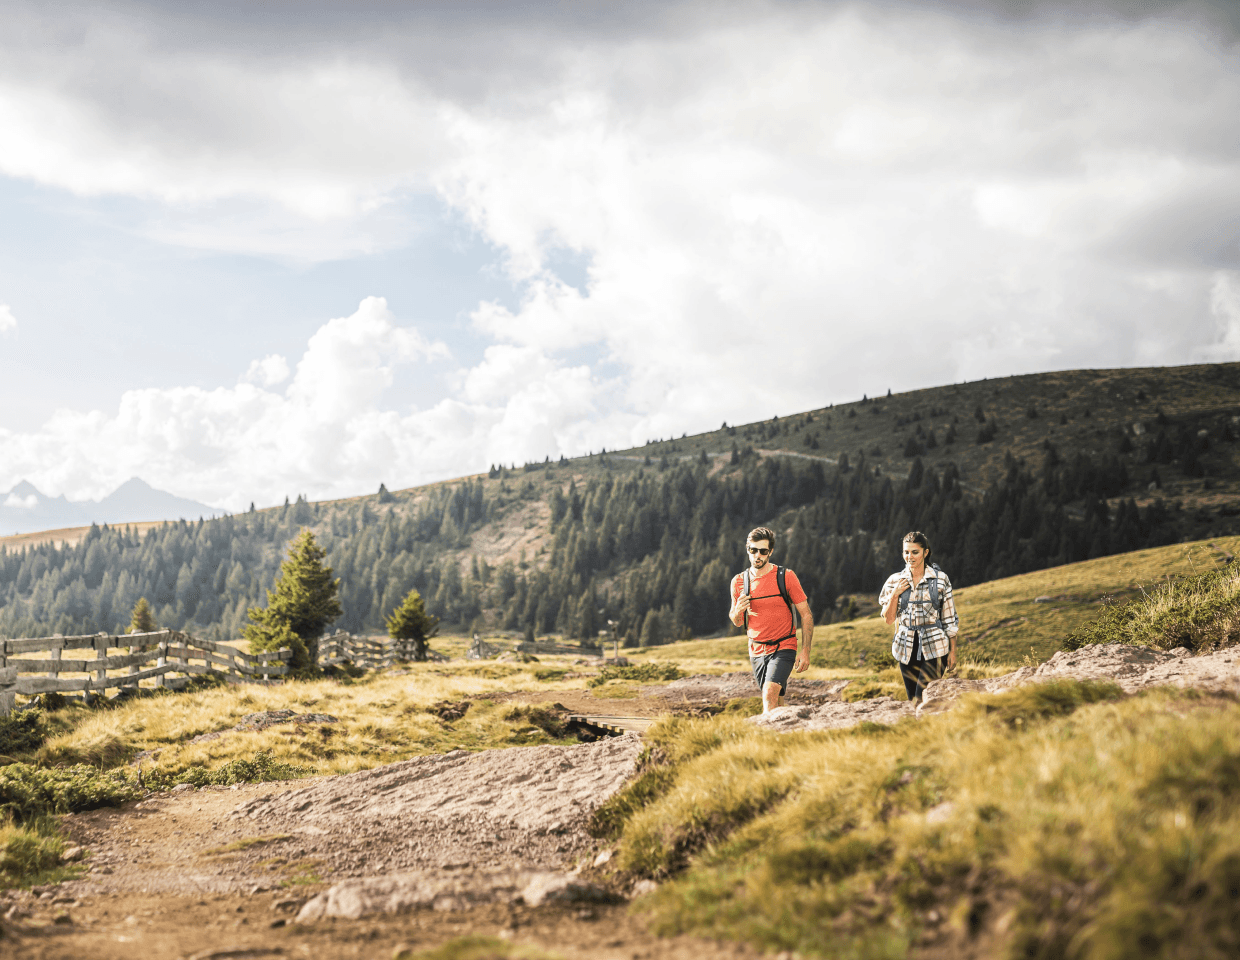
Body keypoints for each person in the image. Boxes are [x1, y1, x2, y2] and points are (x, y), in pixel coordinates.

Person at [728, 526, 814, 714]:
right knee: (777, 701)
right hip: (756, 649)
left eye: (763, 551)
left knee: (769, 694)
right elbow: (737, 621)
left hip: (784, 646)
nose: (757, 555)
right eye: (753, 550)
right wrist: (738, 611)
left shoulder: (786, 577)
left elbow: (806, 614)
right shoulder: (739, 582)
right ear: (747, 549)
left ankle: (768, 736)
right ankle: (784, 739)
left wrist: (805, 651)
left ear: (770, 552)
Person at [879, 531, 959, 703]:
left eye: (915, 552)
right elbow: (888, 619)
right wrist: (895, 594)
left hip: (936, 648)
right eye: (906, 552)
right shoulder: (894, 581)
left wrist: (953, 651)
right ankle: (925, 729)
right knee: (913, 701)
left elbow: (949, 619)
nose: (910, 557)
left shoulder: (941, 580)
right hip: (906, 648)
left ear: (926, 552)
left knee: (924, 698)